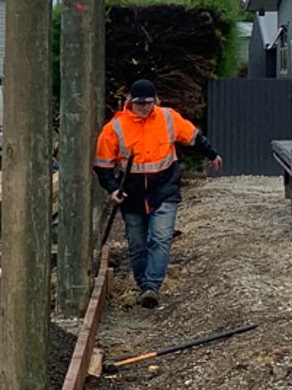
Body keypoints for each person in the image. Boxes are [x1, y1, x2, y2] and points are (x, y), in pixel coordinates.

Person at [94, 78, 223, 309]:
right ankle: (144, 285)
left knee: (161, 238)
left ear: (156, 101)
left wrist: (212, 154)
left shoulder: (167, 118)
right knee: (136, 244)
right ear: (130, 102)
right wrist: (113, 189)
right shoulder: (115, 128)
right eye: (139, 103)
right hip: (131, 196)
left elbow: (193, 137)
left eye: (148, 103)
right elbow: (102, 167)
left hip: (164, 190)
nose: (144, 108)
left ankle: (152, 286)